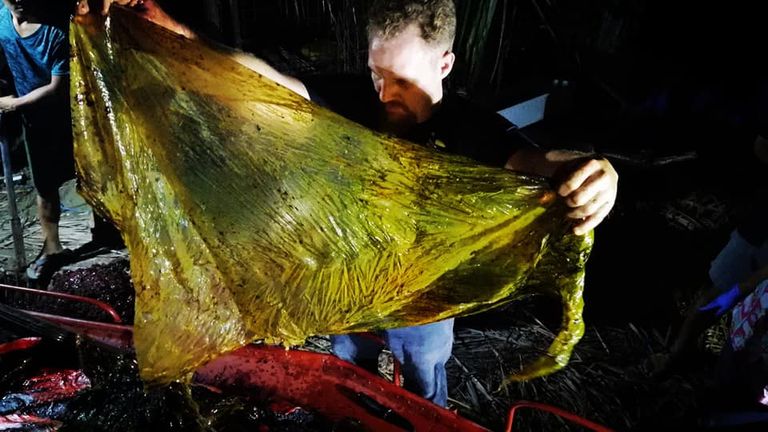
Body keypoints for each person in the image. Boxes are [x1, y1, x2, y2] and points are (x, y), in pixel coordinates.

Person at [99, 0, 619, 407]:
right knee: (349, 371)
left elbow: (530, 160)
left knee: (422, 378)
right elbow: (259, 81)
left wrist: (589, 170)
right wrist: (158, 22)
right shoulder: (353, 101)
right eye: (376, 73)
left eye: (403, 79)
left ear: (445, 63)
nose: (385, 93)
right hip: (346, 281)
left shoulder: (466, 126)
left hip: (424, 300)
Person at [0, 0, 75, 281]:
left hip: (67, 112)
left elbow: (57, 87)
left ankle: (108, 232)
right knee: (43, 183)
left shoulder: (55, 31)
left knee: (91, 176)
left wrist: (14, 104)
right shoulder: (1, 15)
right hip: (32, 117)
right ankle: (53, 248)